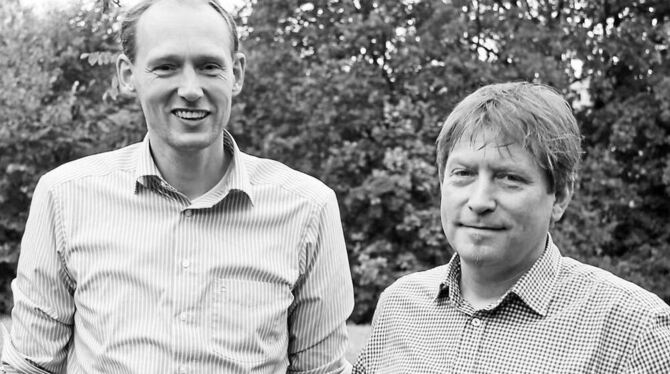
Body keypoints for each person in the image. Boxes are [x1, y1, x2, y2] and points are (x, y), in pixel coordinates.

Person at [1, 0, 354, 372]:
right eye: (166, 67)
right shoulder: (64, 196)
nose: (190, 89)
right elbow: (31, 367)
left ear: (236, 73)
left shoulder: (309, 208)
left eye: (209, 66)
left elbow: (321, 370)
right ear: (126, 74)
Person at [353, 82, 670, 373]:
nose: (479, 201)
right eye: (463, 174)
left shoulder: (636, 332)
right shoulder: (399, 306)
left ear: (560, 196)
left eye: (509, 178)